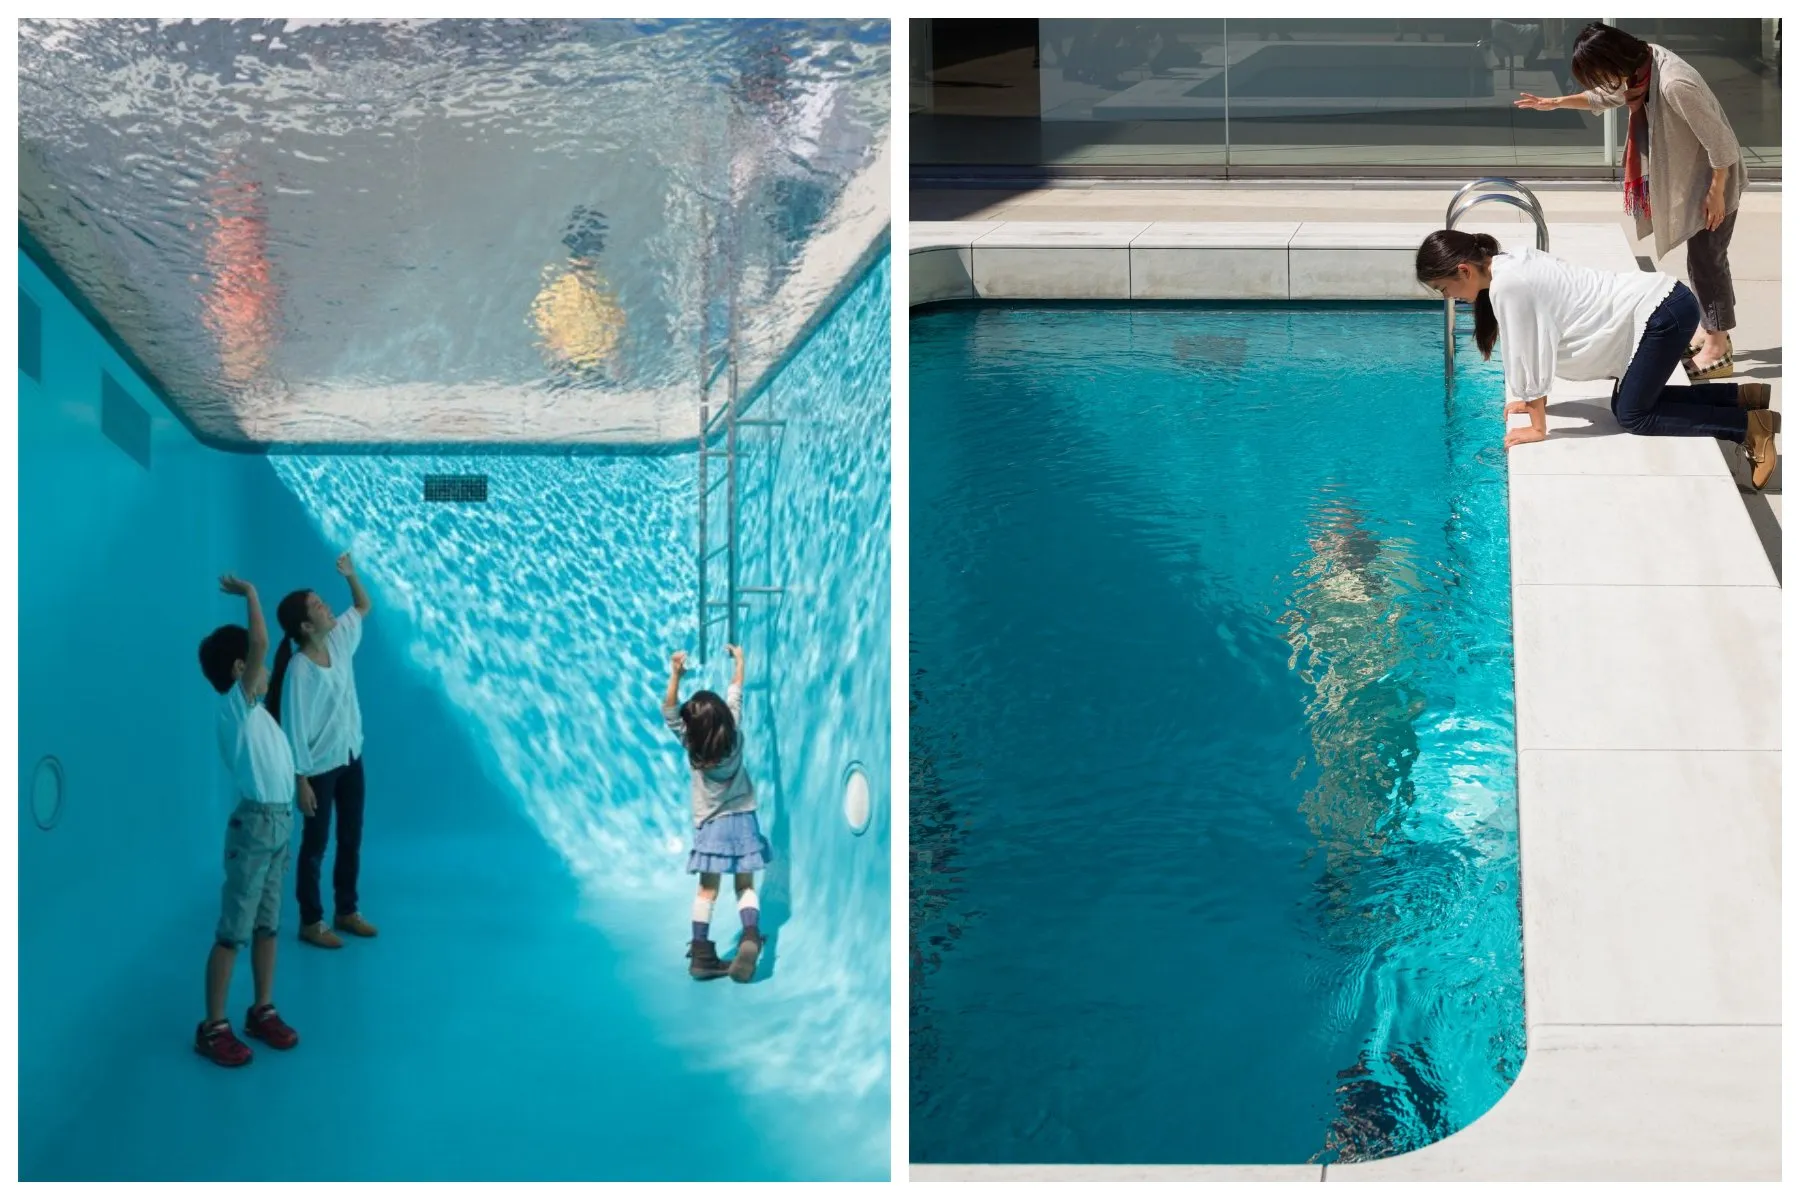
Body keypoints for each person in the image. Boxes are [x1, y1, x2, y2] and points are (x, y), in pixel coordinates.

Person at [1415, 229, 1777, 488]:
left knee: (1634, 415)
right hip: (1663, 303)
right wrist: (1528, 400)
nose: (1450, 297)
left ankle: (1748, 428)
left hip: (1662, 313)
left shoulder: (1509, 284)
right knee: (1628, 401)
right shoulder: (1508, 263)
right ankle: (1741, 398)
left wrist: (1538, 424)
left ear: (1463, 269)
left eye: (1444, 289)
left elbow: (1533, 347)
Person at [1515, 22, 1748, 380]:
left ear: (1612, 59)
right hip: (1696, 183)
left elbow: (1723, 145)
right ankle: (1711, 327)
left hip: (1715, 183)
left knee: (1708, 262)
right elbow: (1607, 95)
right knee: (1702, 260)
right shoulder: (1641, 68)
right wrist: (1556, 103)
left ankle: (1718, 345)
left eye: (1597, 72)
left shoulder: (1673, 83)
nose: (1600, 81)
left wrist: (1716, 194)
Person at [194, 574, 310, 1066]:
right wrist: (252, 595)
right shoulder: (234, 710)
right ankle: (212, 1026)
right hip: (256, 829)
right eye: (257, 663)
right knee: (233, 931)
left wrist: (299, 789)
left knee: (267, 926)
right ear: (243, 668)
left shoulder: (258, 714)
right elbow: (261, 640)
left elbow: (281, 767)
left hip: (279, 825)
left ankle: (261, 1010)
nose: (265, 669)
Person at [267, 552, 378, 949]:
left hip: (351, 756)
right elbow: (294, 728)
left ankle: (346, 911)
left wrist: (351, 575)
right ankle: (311, 920)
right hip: (319, 769)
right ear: (304, 625)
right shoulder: (300, 670)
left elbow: (363, 605)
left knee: (352, 835)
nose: (327, 607)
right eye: (318, 606)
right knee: (316, 844)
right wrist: (301, 782)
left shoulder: (340, 638)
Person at [662, 644, 769, 984]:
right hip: (744, 820)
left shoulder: (690, 742)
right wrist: (740, 660)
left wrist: (675, 676)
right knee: (745, 885)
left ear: (690, 728)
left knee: (707, 891)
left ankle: (702, 956)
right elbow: (735, 695)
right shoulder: (734, 734)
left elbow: (669, 711)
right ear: (724, 717)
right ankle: (750, 936)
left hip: (711, 827)